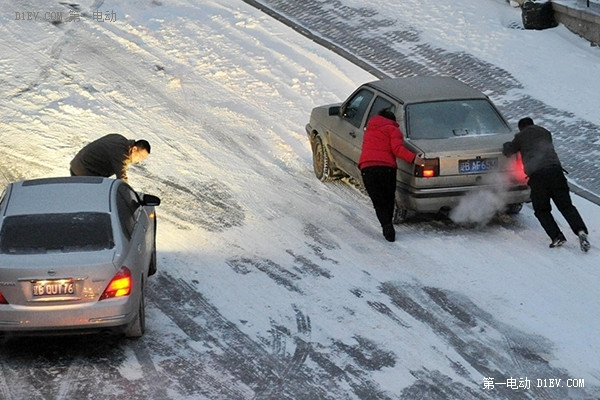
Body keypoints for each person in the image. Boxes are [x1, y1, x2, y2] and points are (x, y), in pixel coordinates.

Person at [503, 117, 590, 252]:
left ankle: (557, 236)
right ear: (533, 124)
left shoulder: (521, 136)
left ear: (521, 128)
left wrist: (506, 145)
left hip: (538, 176)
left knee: (542, 210)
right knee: (566, 206)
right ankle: (580, 231)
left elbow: (509, 151)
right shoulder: (545, 132)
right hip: (556, 172)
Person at [359, 109, 424, 242]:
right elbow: (397, 149)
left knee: (377, 200)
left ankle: (386, 226)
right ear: (392, 120)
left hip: (367, 168)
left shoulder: (369, 129)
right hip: (386, 168)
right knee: (388, 198)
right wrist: (413, 159)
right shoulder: (393, 129)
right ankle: (388, 226)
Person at [70, 134, 151, 184]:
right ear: (134, 149)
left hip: (78, 164)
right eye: (141, 156)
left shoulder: (120, 139)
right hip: (84, 171)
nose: (140, 160)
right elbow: (122, 178)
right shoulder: (122, 153)